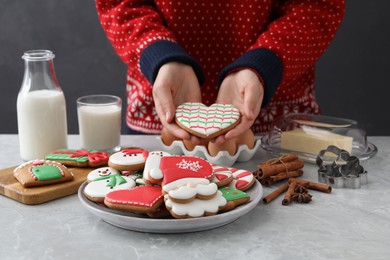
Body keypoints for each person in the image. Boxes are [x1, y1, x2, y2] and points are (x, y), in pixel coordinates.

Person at [95, 0, 345, 144]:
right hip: (161, 115)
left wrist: (262, 64)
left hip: (277, 129)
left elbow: (317, 6)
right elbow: (120, 4)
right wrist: (160, 56)